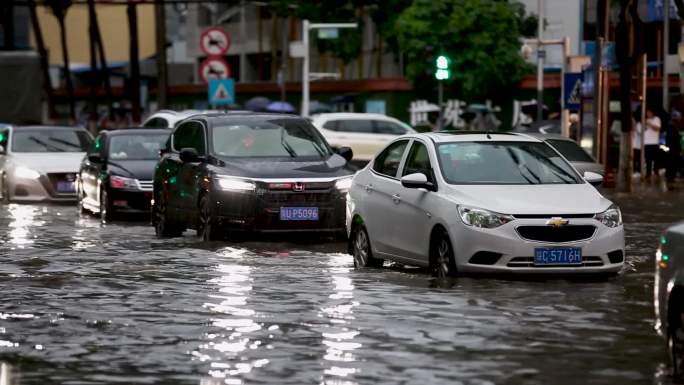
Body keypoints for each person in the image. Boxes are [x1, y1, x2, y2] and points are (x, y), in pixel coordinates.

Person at [665, 110, 683, 187]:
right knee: (672, 163)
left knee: (673, 162)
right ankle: (670, 177)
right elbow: (674, 139)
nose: (680, 119)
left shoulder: (672, 125)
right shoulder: (672, 126)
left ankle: (671, 176)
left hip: (672, 148)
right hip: (673, 148)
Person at [643, 106, 662, 179]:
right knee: (648, 159)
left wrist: (649, 124)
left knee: (655, 158)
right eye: (647, 113)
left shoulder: (656, 119)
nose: (648, 114)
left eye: (649, 112)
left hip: (654, 142)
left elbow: (657, 128)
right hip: (646, 142)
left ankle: (656, 171)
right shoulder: (646, 120)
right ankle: (648, 173)